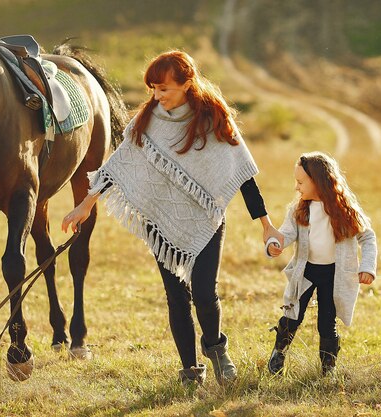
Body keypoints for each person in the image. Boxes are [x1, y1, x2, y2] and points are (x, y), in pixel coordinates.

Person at [62, 50, 282, 385]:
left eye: (164, 89)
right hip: (161, 222)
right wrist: (86, 205)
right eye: (153, 88)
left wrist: (266, 225)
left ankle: (216, 349)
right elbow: (118, 166)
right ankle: (190, 370)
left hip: (206, 220)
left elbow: (243, 175)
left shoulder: (213, 117)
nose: (157, 96)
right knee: (177, 296)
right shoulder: (147, 120)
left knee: (205, 293)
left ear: (187, 83)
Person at [265, 151, 377, 376]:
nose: (296, 187)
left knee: (327, 323)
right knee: (292, 315)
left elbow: (367, 236)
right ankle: (279, 352)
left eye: (300, 182)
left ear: (318, 181)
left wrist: (367, 266)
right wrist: (275, 243)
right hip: (305, 272)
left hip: (333, 276)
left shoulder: (344, 209)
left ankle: (328, 369)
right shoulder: (298, 209)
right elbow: (286, 233)